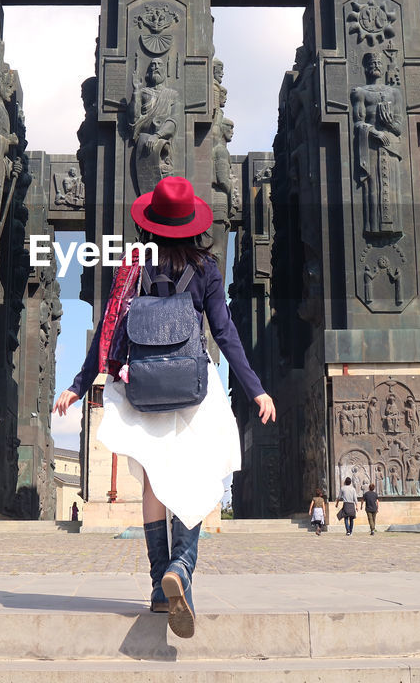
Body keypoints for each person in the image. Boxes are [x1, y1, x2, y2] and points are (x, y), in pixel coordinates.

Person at [54, 176, 275, 640]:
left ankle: (160, 585)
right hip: (192, 385)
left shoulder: (133, 263)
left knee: (154, 480)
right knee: (197, 474)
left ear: (151, 223)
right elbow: (225, 333)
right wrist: (255, 388)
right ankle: (182, 567)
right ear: (190, 223)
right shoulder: (208, 269)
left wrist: (79, 384)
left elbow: (110, 328)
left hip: (145, 386)